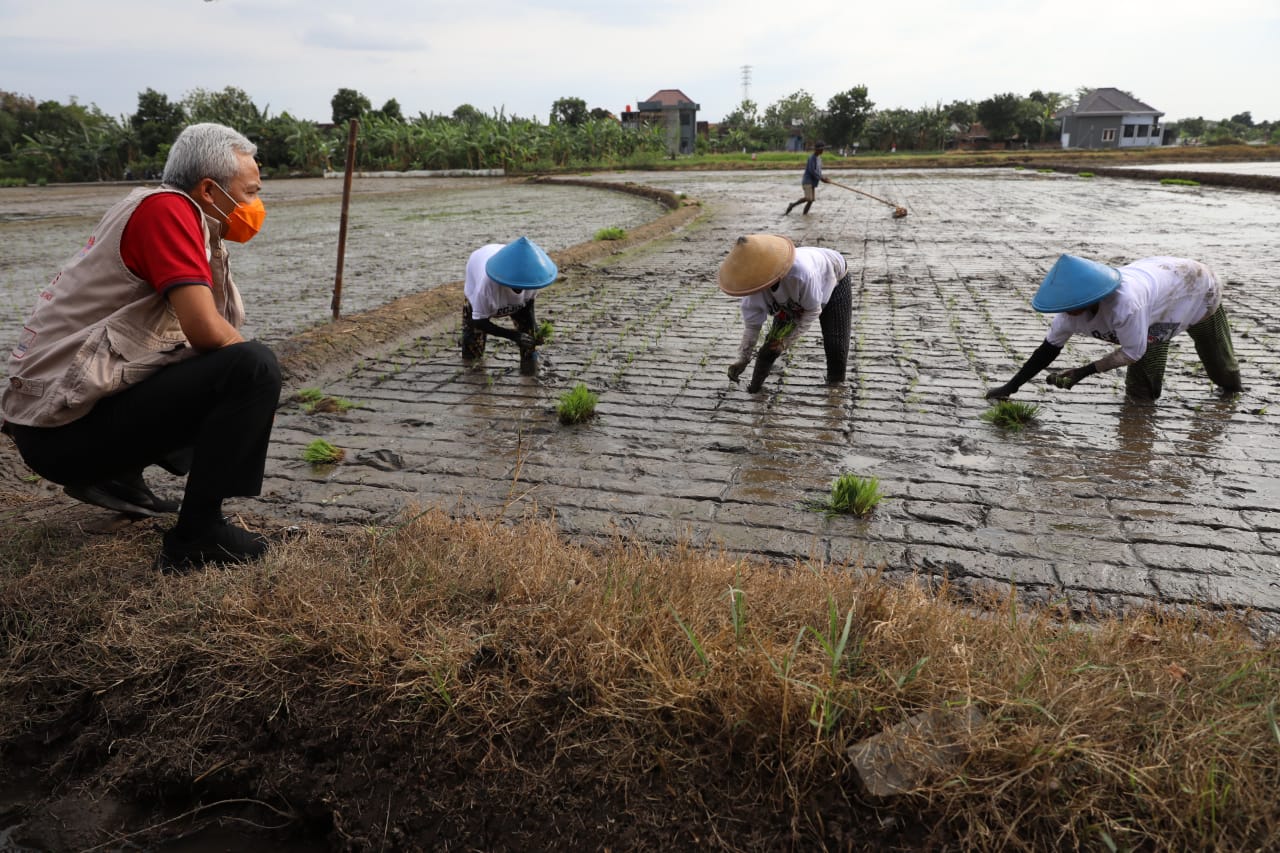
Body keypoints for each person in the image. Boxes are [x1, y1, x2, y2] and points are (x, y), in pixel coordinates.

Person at [1, 122, 283, 572]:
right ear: (209, 190)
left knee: (226, 368)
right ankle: (199, 535)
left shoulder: (161, 208)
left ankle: (120, 478)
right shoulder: (169, 211)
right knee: (252, 368)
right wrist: (262, 387)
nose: (255, 206)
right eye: (249, 192)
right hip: (59, 433)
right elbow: (207, 331)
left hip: (51, 422)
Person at [985, 254, 1243, 402]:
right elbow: (1047, 351)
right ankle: (1140, 417)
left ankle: (1232, 391)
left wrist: (1082, 372)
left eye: (1074, 305)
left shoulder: (1125, 305)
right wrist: (1010, 387)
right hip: (1156, 295)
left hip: (1195, 285)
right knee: (1142, 381)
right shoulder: (1068, 315)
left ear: (1093, 298)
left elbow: (1132, 352)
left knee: (1217, 356)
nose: (1068, 310)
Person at [719, 234, 852, 393]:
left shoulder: (801, 274)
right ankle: (755, 388)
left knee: (835, 342)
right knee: (770, 347)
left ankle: (835, 389)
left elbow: (813, 310)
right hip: (794, 297)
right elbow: (752, 327)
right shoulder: (752, 290)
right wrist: (743, 358)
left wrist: (786, 341)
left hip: (833, 274)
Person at [461, 237, 558, 375]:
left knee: (528, 337)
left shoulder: (532, 279)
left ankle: (529, 371)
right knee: (472, 348)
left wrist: (534, 328)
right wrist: (513, 335)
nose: (521, 290)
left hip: (507, 259)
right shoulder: (486, 288)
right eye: (517, 286)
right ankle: (472, 374)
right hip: (480, 264)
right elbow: (479, 321)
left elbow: (528, 305)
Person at [784, 141, 831, 215]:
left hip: (813, 182)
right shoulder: (812, 158)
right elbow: (812, 171)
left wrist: (824, 178)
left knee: (811, 200)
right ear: (816, 149)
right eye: (821, 149)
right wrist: (821, 179)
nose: (822, 151)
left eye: (823, 149)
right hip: (807, 181)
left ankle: (805, 215)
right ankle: (792, 205)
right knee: (808, 198)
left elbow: (818, 171)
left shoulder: (819, 159)